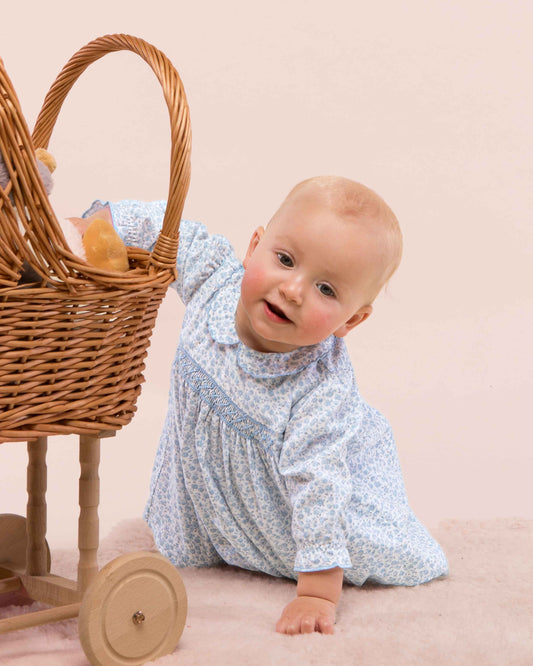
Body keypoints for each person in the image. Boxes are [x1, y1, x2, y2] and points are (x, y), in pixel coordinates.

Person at [79, 176, 448, 635]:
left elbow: (318, 487)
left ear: (352, 320)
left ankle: (312, 561)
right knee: (185, 551)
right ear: (254, 246)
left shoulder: (318, 392)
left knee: (353, 533)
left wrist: (315, 593)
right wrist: (100, 223)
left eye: (326, 290)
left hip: (290, 503)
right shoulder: (214, 279)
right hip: (208, 489)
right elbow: (172, 233)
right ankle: (213, 535)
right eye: (286, 260)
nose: (293, 289)